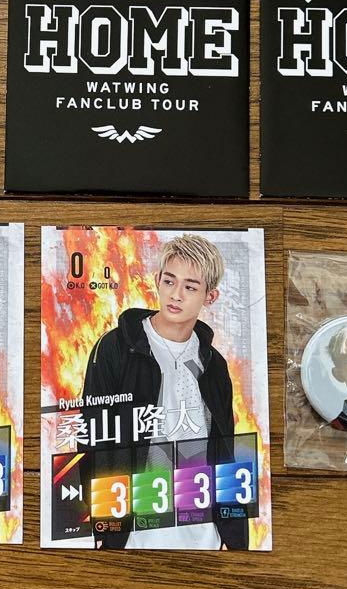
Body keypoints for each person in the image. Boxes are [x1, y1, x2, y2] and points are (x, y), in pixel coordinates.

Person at [81, 233, 248, 550]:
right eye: (169, 281)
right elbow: (93, 440)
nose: (176, 295)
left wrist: (235, 537)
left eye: (191, 287)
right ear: (157, 280)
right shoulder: (115, 348)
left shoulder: (214, 366)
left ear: (210, 296)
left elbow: (225, 453)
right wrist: (106, 527)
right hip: (135, 534)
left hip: (204, 535)